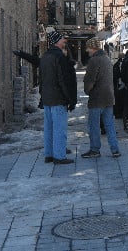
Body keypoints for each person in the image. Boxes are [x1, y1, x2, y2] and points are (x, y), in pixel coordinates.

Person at [39, 30, 77, 164]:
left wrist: (41, 96)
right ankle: (59, 156)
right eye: (62, 39)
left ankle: (48, 154)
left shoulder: (45, 56)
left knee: (49, 127)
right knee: (59, 128)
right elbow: (63, 80)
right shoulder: (59, 57)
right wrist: (70, 99)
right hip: (58, 98)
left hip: (47, 97)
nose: (64, 41)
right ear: (57, 41)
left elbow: (41, 79)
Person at [82, 38, 121, 158]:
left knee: (94, 125)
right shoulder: (106, 59)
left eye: (88, 48)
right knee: (109, 124)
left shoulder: (94, 60)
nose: (87, 50)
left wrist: (87, 90)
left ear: (92, 47)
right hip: (109, 97)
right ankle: (115, 149)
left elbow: (90, 80)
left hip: (97, 97)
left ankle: (94, 149)